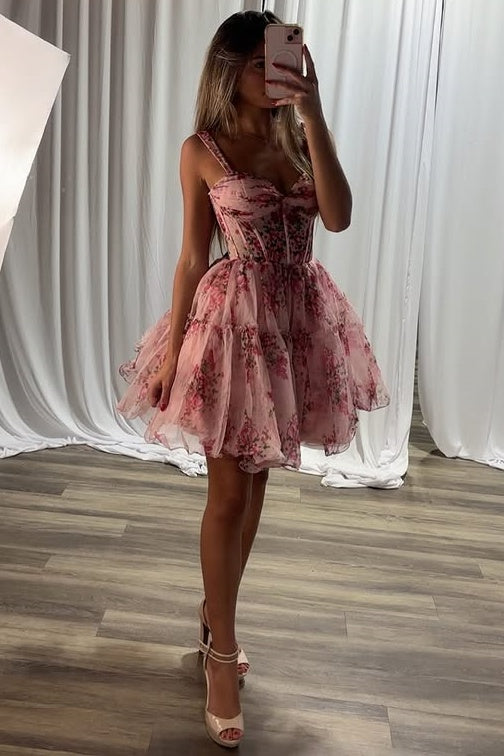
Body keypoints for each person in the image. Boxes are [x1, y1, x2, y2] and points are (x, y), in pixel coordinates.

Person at [116, 9, 389, 749]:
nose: (276, 73)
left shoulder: (297, 136)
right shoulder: (201, 149)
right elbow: (191, 257)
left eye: (285, 59)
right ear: (229, 67)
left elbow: (338, 218)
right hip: (230, 326)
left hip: (294, 323)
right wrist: (173, 351)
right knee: (228, 494)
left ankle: (217, 615)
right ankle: (220, 657)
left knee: (257, 487)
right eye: (262, 62)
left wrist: (314, 112)